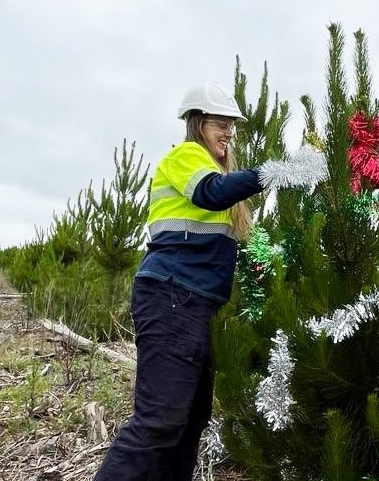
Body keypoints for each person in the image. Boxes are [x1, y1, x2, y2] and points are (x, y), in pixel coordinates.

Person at [94, 82, 265, 481]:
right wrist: (271, 172)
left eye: (232, 125)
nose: (229, 132)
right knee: (160, 421)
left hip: (193, 304)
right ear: (198, 123)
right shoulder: (187, 156)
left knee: (189, 421)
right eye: (221, 123)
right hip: (172, 296)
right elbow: (211, 193)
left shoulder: (213, 170)